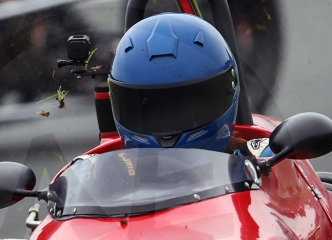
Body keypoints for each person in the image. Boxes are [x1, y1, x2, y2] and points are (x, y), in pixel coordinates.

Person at [107, 12, 259, 154]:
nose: (167, 124)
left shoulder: (258, 157)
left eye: (185, 104)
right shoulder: (103, 171)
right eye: (153, 109)